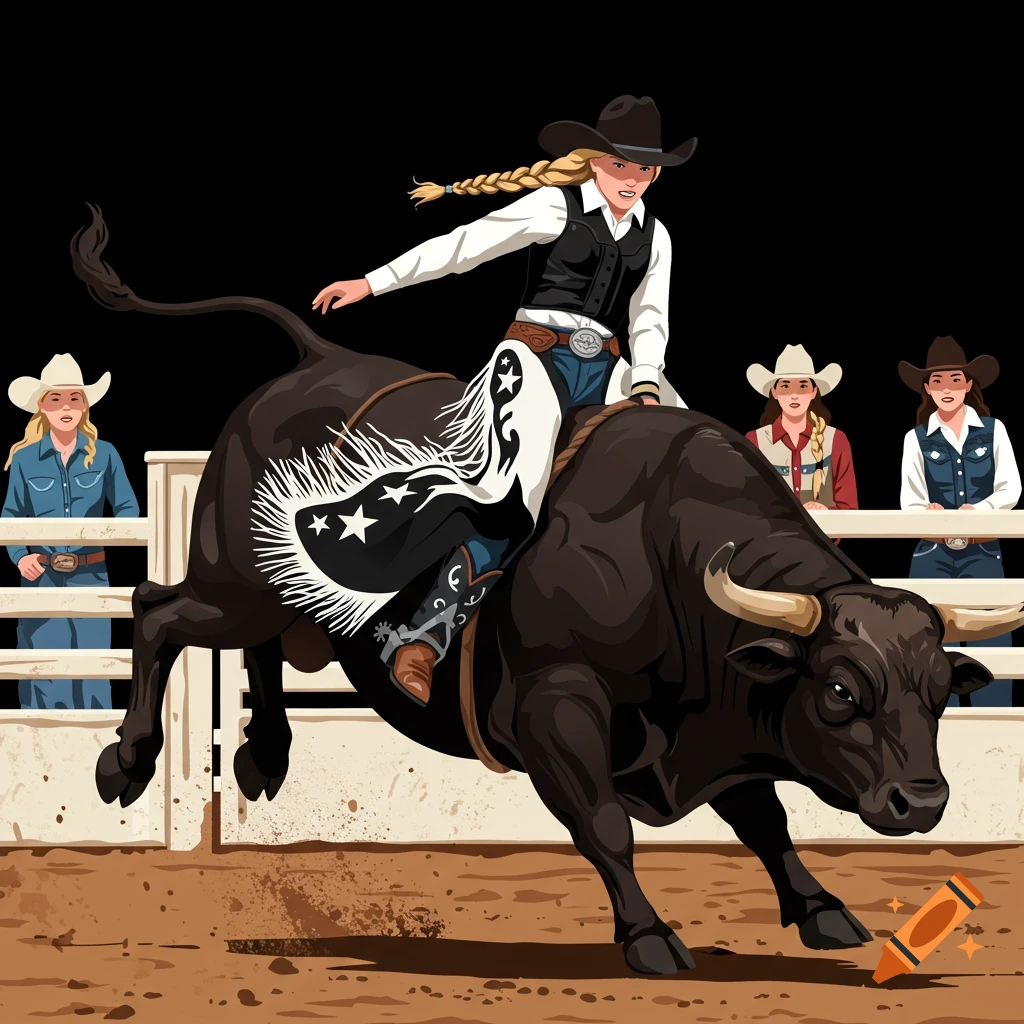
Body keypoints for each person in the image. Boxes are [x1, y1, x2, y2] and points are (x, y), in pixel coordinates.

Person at [310, 95, 695, 706]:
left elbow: (651, 316)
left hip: (613, 363)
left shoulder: (658, 235)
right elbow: (465, 247)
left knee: (689, 449)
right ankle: (424, 636)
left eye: (646, 170)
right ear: (596, 161)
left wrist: (646, 380)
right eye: (623, 165)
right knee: (516, 488)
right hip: (535, 356)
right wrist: (373, 281)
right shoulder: (553, 205)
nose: (634, 179)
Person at [4, 354, 139, 710]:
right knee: (44, 670)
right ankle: (43, 759)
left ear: (84, 406)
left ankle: (96, 757)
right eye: (56, 399)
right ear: (42, 407)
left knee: (95, 668)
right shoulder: (24, 459)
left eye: (74, 398)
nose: (66, 407)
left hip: (92, 575)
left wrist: (110, 534)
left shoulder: (105, 455)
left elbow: (128, 508)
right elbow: (11, 514)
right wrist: (20, 557)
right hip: (41, 576)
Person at [899, 336, 1020, 707]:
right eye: (938, 381)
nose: (947, 389)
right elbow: (910, 501)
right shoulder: (915, 438)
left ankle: (997, 728)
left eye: (955, 380)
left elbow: (1010, 489)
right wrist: (927, 516)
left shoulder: (993, 429)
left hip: (982, 550)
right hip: (932, 555)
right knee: (931, 644)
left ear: (969, 385)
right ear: (927, 388)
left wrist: (978, 512)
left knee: (993, 636)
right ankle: (940, 728)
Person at [744, 344, 858, 512]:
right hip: (770, 537)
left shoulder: (836, 440)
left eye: (803, 386)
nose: (794, 395)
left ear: (814, 391)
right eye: (785, 386)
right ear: (774, 392)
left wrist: (825, 512)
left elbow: (849, 508)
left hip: (821, 537)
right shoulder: (755, 441)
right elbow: (746, 504)